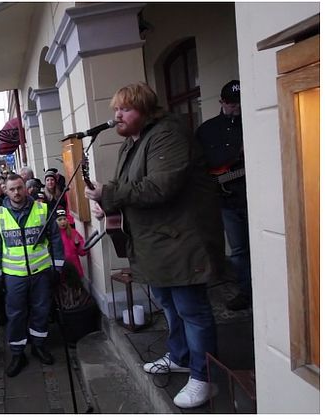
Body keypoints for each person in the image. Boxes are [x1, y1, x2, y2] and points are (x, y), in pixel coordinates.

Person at [84, 82, 224, 409]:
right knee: (169, 305)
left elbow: (160, 187)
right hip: (155, 245)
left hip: (181, 241)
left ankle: (204, 378)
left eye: (126, 109)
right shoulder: (131, 144)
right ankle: (180, 356)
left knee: (192, 310)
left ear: (146, 110)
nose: (117, 115)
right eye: (115, 109)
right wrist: (107, 203)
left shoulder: (168, 134)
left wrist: (110, 194)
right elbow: (127, 188)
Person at [0, 173, 65, 377]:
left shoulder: (42, 209)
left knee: (41, 310)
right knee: (15, 315)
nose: (16, 192)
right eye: (12, 189)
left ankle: (39, 346)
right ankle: (17, 353)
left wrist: (57, 267)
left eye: (19, 188)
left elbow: (55, 239)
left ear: (26, 188)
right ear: (5, 190)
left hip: (40, 273)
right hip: (14, 276)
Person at [195, 80, 251, 311]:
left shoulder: (253, 121)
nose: (235, 108)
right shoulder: (207, 130)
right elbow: (197, 164)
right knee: (238, 250)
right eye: (231, 104)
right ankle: (246, 292)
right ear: (221, 102)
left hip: (252, 195)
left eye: (238, 104)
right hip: (225, 199)